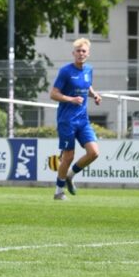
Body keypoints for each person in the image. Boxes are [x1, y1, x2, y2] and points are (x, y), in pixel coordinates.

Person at [49, 38, 102, 201]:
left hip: (83, 120)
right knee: (69, 156)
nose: (81, 54)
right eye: (78, 51)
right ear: (73, 53)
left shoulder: (89, 70)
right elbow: (53, 94)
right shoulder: (65, 71)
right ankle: (58, 191)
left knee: (94, 153)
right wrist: (70, 99)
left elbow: (87, 86)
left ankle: (70, 176)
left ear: (88, 53)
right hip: (67, 121)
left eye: (83, 51)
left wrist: (94, 95)